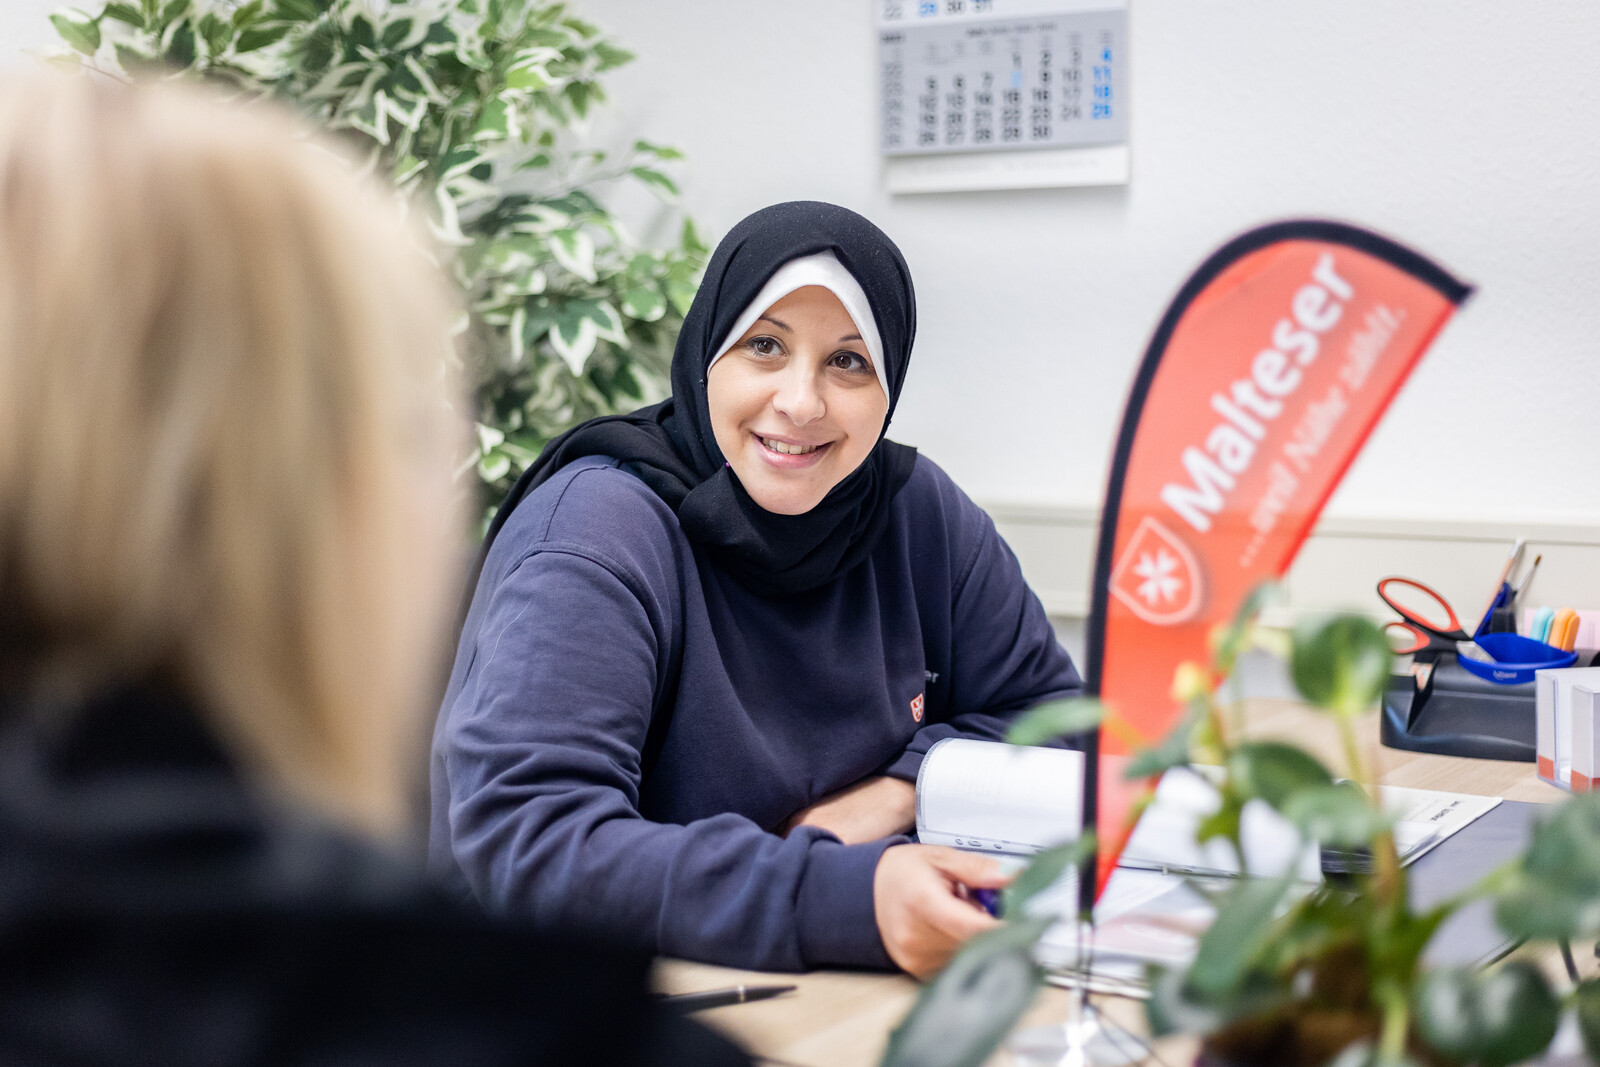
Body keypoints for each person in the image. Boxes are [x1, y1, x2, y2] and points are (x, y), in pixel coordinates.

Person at [0, 72, 745, 1066]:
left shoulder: (916, 513)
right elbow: (541, 832)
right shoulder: (504, 1023)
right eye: (403, 425)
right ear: (323, 495)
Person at [432, 201, 1085, 978]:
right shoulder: (599, 531)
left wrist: (904, 787)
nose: (801, 402)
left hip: (814, 996)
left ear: (890, 383)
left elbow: (1059, 723)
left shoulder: (916, 515)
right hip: (567, 1002)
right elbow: (532, 842)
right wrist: (841, 895)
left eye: (848, 361)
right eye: (765, 346)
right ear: (709, 354)